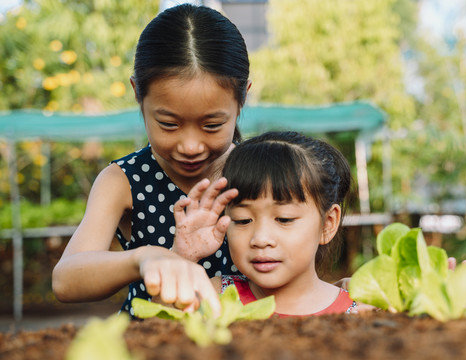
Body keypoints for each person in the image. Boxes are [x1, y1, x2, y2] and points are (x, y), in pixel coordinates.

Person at [52, 3, 250, 317]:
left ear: (242, 99)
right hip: (150, 342)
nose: (190, 146)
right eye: (168, 124)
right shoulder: (123, 180)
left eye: (212, 125)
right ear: (137, 94)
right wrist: (146, 258)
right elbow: (66, 279)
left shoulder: (263, 171)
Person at [174, 131, 375, 316]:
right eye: (243, 220)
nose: (260, 239)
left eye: (284, 219)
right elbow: (162, 327)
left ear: (327, 224)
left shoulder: (361, 312)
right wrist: (183, 258)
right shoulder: (215, 295)